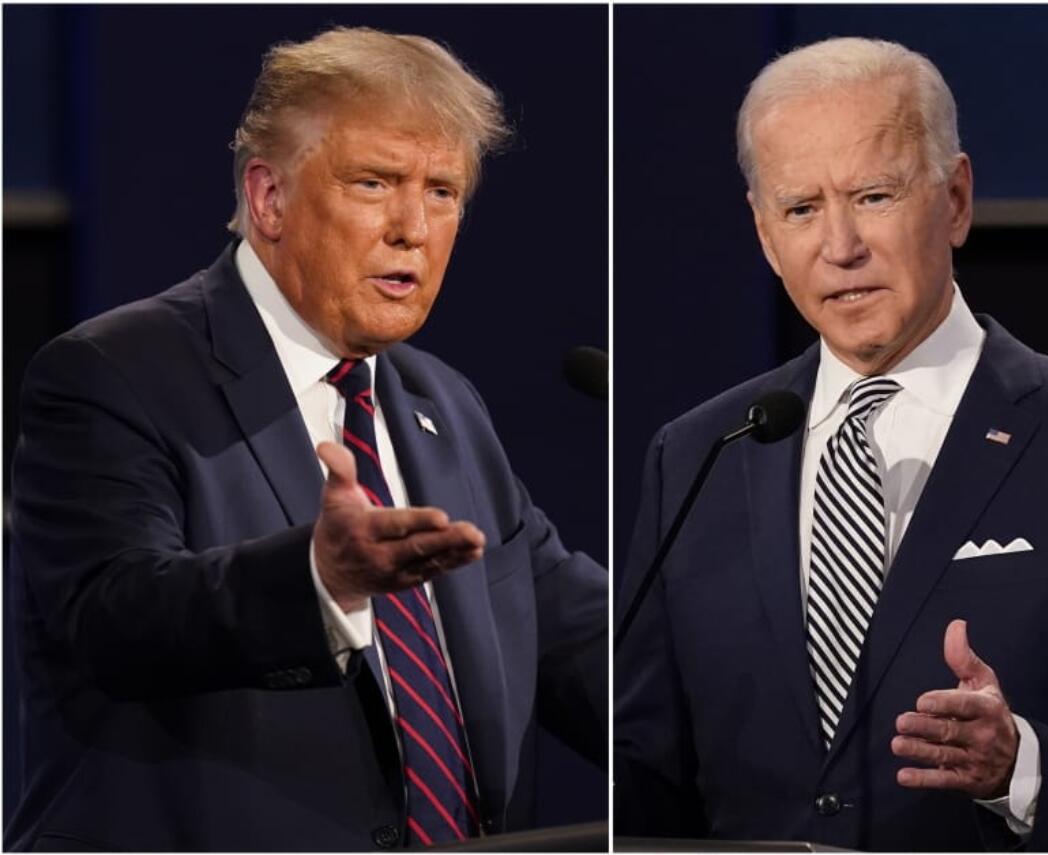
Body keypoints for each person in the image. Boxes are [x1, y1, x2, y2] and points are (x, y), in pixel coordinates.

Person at [7, 27, 606, 851]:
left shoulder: (443, 403)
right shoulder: (112, 373)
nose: (413, 227)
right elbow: (115, 615)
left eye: (443, 192)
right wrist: (319, 578)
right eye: (375, 182)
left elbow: (572, 635)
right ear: (270, 197)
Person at [614, 36, 1048, 850]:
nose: (840, 247)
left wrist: (1024, 768)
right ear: (764, 234)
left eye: (873, 195)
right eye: (801, 209)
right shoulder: (700, 452)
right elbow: (645, 774)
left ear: (957, 199)